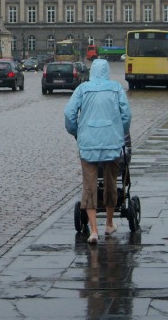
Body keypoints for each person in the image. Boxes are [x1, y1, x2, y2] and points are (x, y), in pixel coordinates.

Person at [64, 59, 132, 244]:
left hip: (88, 143)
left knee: (90, 184)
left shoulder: (82, 89)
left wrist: (77, 132)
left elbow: (69, 115)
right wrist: (120, 131)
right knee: (111, 182)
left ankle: (93, 229)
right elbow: (126, 115)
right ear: (107, 71)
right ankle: (109, 223)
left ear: (92, 71)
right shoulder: (116, 88)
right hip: (112, 142)